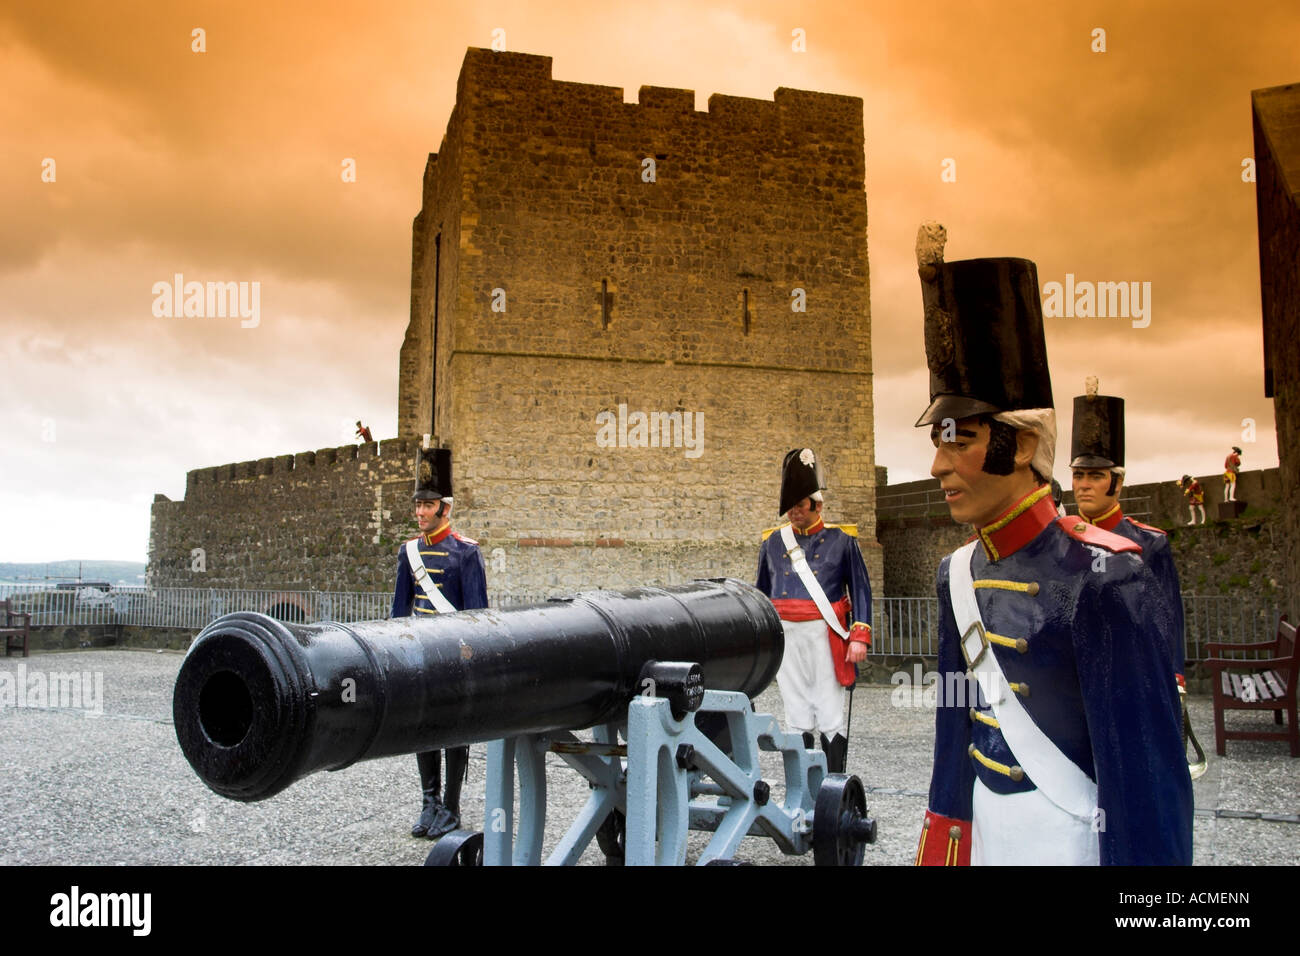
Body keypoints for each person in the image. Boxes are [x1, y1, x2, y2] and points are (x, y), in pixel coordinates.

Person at [910, 225, 1192, 865]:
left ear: (1024, 445)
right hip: (986, 829)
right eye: (939, 439)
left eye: (960, 440)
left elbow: (1147, 789)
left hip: (1069, 839)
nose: (937, 465)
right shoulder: (956, 574)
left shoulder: (1106, 579)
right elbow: (954, 737)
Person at [1070, 379, 1205, 776]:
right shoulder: (1061, 540)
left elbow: (1168, 618)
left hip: (1133, 679)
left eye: (1095, 476)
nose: (1083, 485)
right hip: (1074, 683)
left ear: (1117, 481)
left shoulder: (1150, 544)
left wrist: (1175, 680)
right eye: (1078, 475)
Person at [391, 444, 488, 839]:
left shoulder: (466, 553)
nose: (420, 512)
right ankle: (429, 803)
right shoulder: (408, 553)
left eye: (428, 505)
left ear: (444, 508)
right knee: (423, 729)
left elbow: (478, 616)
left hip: (454, 659)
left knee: (453, 733)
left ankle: (451, 806)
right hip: (419, 657)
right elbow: (399, 614)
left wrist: (471, 660)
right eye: (417, 505)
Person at [755, 448, 871, 773]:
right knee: (796, 712)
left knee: (830, 709)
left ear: (817, 505)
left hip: (825, 632)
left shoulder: (842, 541)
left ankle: (834, 783)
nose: (794, 512)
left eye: (800, 505)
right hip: (786, 634)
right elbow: (761, 593)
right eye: (790, 506)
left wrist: (859, 635)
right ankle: (803, 786)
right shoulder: (773, 543)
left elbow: (861, 589)